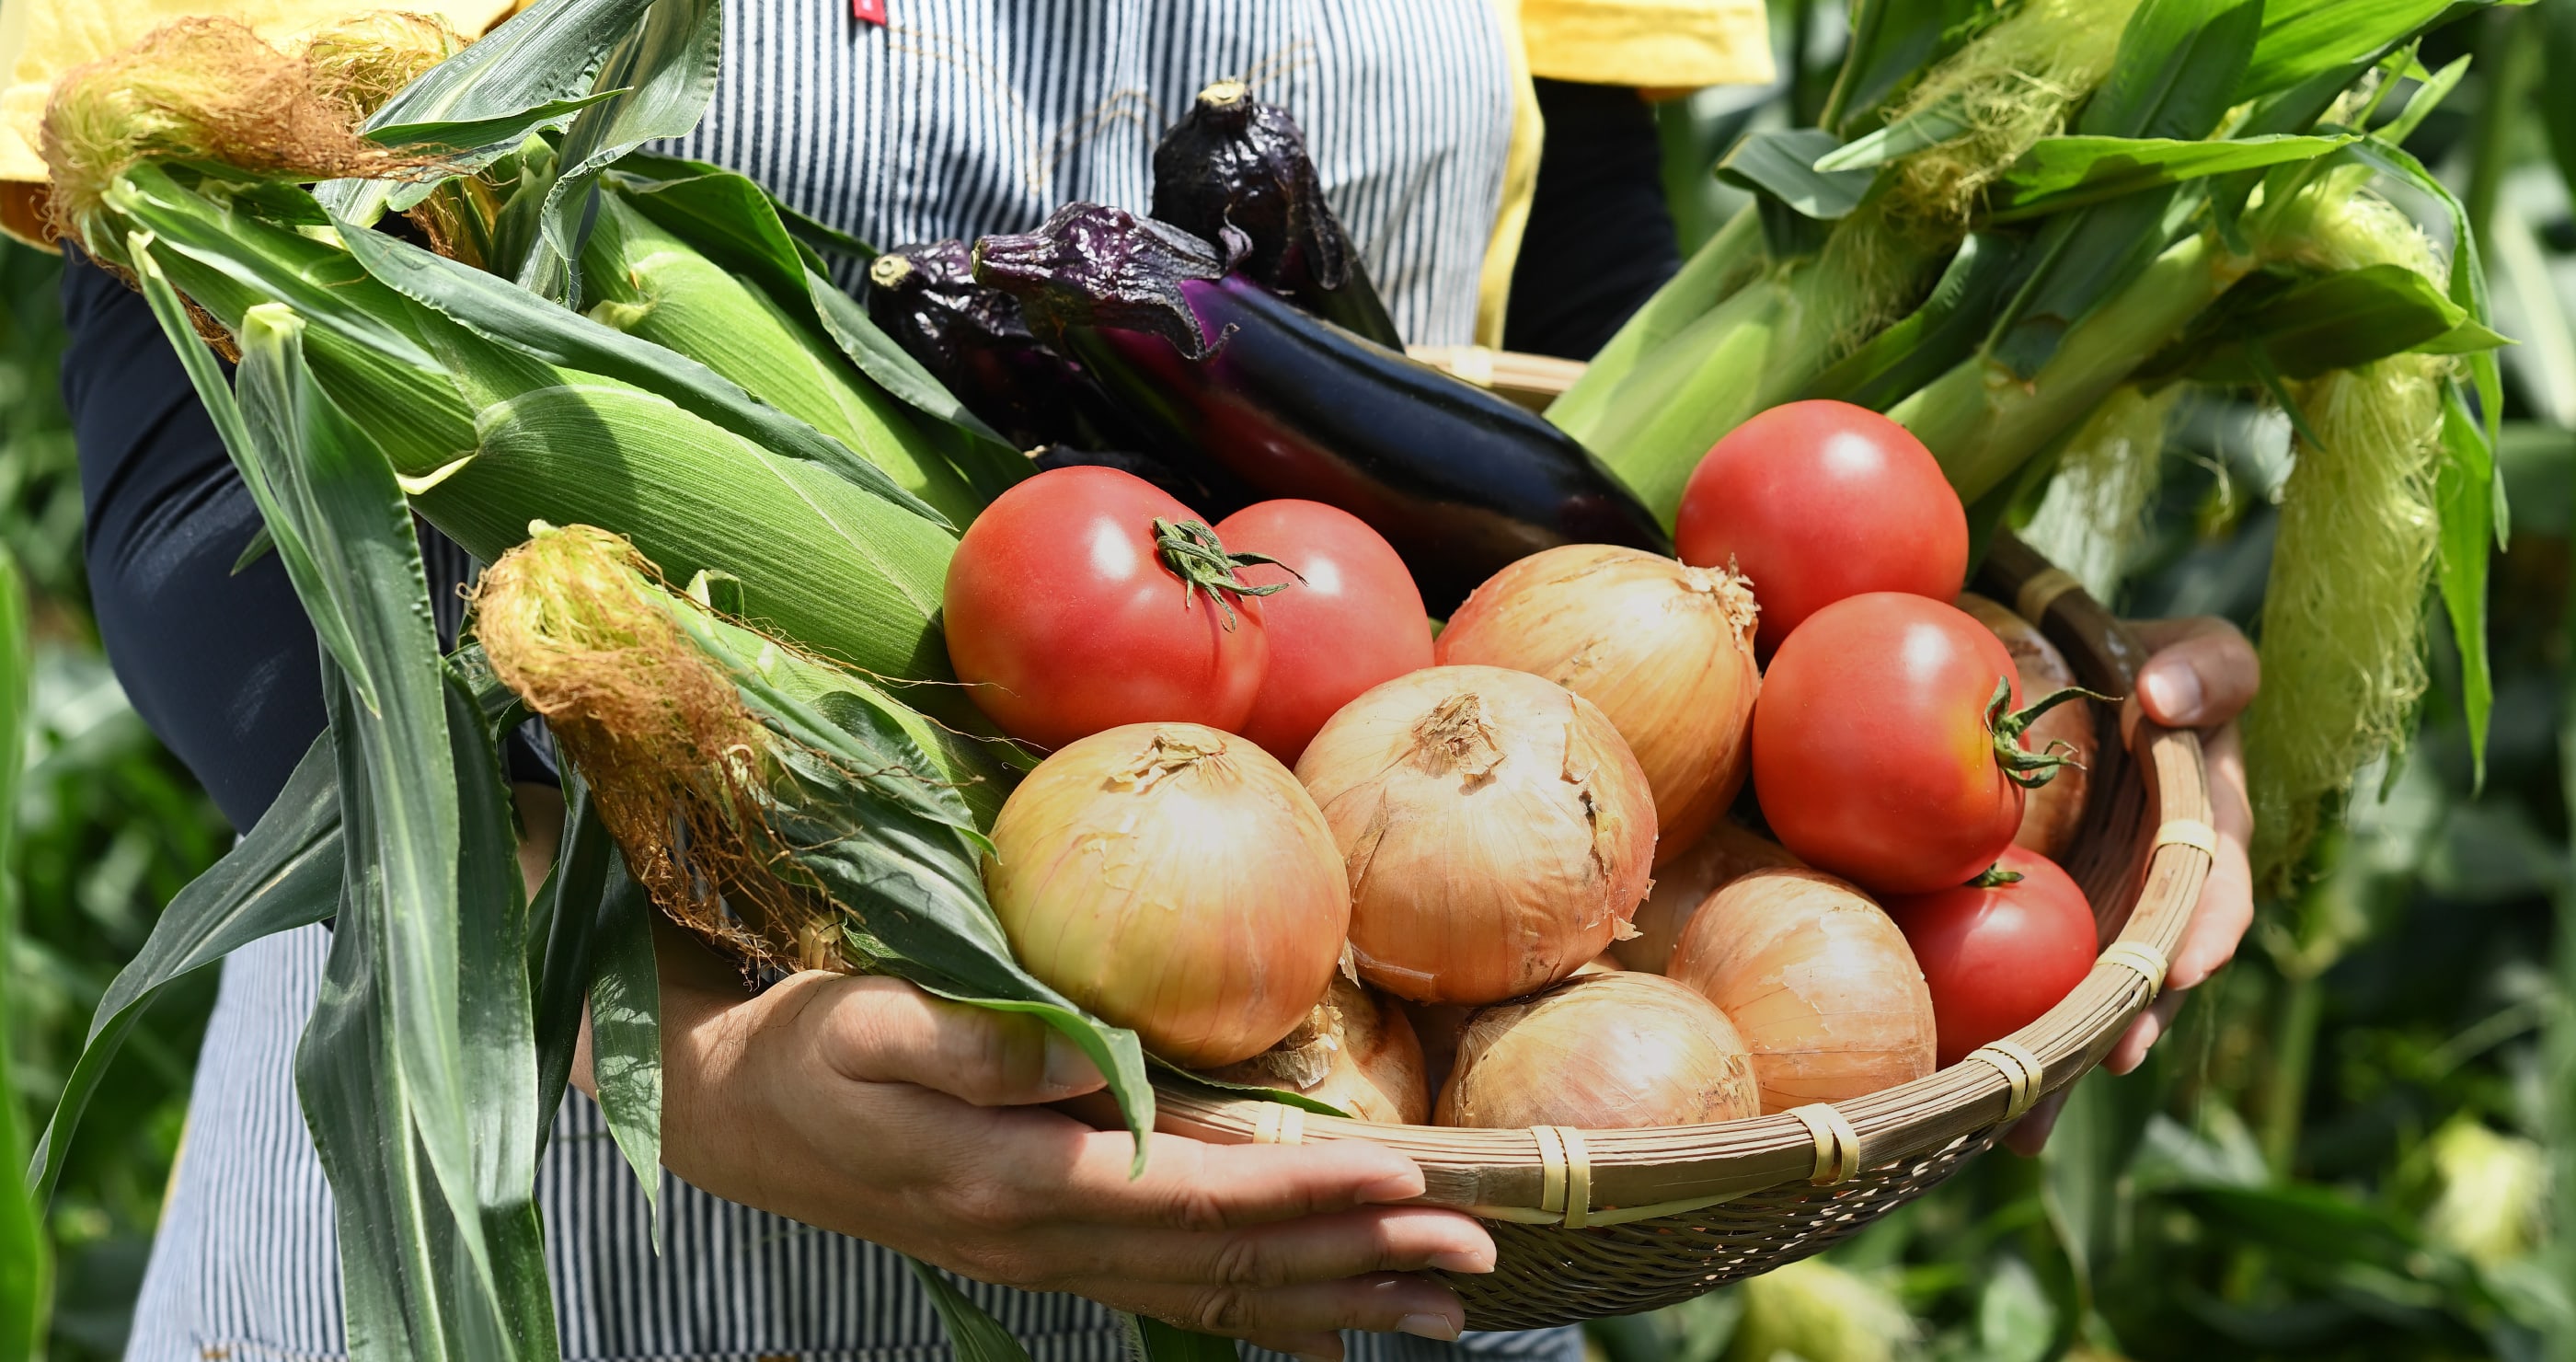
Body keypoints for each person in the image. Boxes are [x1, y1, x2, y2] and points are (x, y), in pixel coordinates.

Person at [6, 2, 2257, 1360]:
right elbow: (212, 515)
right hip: (587, 1194)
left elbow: (1580, 330)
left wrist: (1996, 749)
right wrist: (667, 1045)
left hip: (1408, 1162)